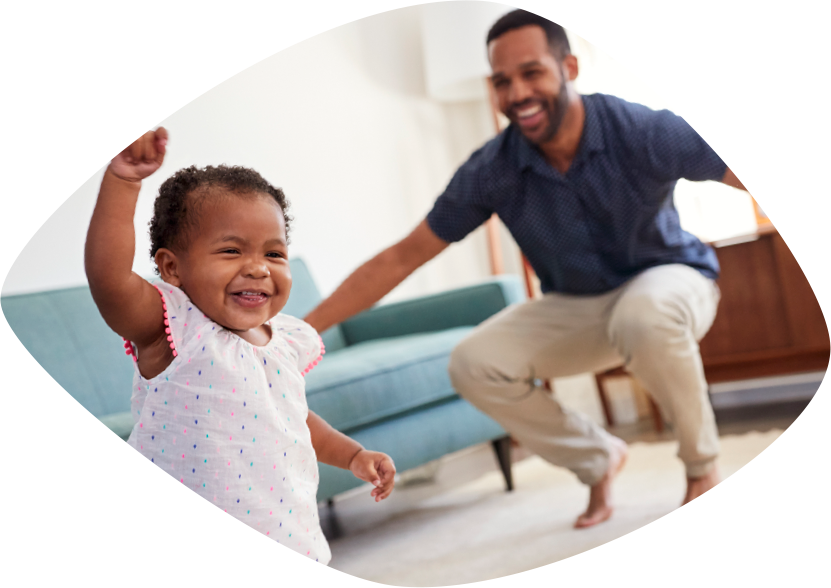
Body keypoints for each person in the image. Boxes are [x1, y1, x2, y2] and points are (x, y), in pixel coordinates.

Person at [304, 10, 750, 529]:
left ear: (570, 67)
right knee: (473, 362)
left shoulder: (639, 129)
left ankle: (702, 471)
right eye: (501, 81)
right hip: (577, 304)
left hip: (671, 280)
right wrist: (298, 330)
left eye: (531, 72)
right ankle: (597, 458)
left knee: (644, 315)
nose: (517, 92)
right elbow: (404, 255)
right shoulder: (492, 169)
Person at [84, 127, 396, 565]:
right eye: (231, 251)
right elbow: (109, 281)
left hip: (290, 530)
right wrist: (123, 182)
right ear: (172, 268)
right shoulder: (174, 328)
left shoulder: (283, 340)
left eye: (274, 254)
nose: (257, 269)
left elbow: (292, 419)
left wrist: (354, 455)